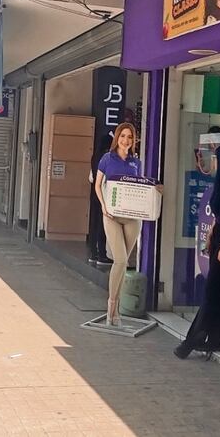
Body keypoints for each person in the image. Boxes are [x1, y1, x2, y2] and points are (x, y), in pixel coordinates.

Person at [175, 144, 220, 360]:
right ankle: (217, 340)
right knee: (217, 289)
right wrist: (211, 236)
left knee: (211, 290)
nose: (213, 163)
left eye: (216, 159)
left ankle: (193, 340)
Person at [94, 122, 144, 327]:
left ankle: (117, 313)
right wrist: (104, 206)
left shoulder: (136, 162)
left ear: (133, 141)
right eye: (123, 136)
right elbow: (98, 185)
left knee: (124, 264)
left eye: (129, 137)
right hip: (111, 215)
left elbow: (139, 187)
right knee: (121, 261)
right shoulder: (107, 158)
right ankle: (111, 308)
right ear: (117, 138)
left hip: (132, 217)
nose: (126, 140)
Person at [87, 133, 115, 266]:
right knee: (102, 224)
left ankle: (93, 252)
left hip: (94, 193)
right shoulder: (106, 158)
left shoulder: (95, 156)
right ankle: (102, 254)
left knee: (94, 222)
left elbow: (91, 177)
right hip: (103, 194)